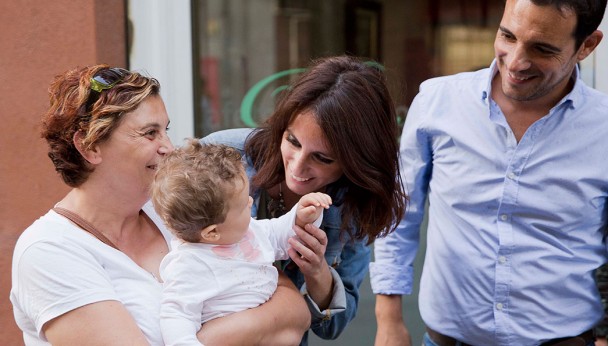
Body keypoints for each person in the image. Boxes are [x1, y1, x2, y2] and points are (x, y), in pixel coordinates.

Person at [370, 0, 608, 345]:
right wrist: (388, 320)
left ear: (587, 45)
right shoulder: (437, 103)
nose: (516, 62)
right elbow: (399, 214)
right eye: (508, 36)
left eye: (542, 49)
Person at [10, 65, 310, 345]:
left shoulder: (173, 210)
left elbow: (294, 316)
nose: (168, 146)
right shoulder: (49, 251)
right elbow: (276, 319)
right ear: (89, 146)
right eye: (150, 133)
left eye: (166, 130)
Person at [201, 55, 407, 344]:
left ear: (355, 162)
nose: (297, 168)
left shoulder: (353, 204)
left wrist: (318, 273)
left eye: (322, 158)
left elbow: (332, 327)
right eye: (293, 141)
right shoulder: (220, 155)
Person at [150, 139, 331, 346]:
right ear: (212, 232)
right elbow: (177, 315)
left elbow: (281, 234)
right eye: (243, 205)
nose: (251, 202)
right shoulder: (189, 265)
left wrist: (302, 216)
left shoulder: (247, 232)